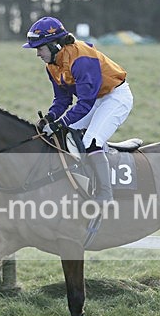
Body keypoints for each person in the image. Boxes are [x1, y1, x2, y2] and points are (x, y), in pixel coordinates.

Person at [22, 16, 133, 203]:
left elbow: (84, 103)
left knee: (91, 141)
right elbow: (62, 99)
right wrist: (50, 118)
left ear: (54, 45)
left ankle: (105, 194)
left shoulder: (81, 58)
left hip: (115, 97)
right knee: (66, 136)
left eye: (39, 48)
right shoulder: (52, 66)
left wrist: (60, 123)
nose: (38, 54)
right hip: (94, 99)